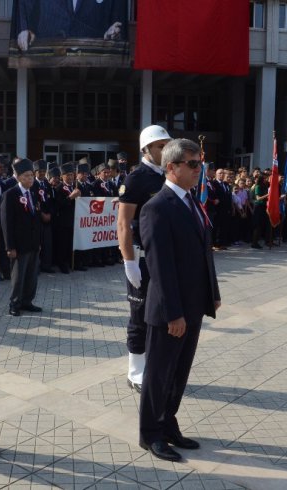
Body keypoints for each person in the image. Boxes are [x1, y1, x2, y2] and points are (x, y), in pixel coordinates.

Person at [138, 138, 220, 462]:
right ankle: (150, 434)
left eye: (200, 163)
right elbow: (160, 267)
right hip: (170, 311)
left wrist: (211, 295)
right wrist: (174, 313)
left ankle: (168, 422)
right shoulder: (156, 207)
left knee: (179, 372)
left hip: (193, 305)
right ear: (171, 168)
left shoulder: (192, 201)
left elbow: (203, 254)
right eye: (193, 164)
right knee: (159, 374)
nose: (200, 169)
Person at [117, 124, 170, 393]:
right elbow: (124, 224)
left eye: (166, 144)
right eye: (160, 145)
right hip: (141, 258)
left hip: (164, 258)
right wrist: (129, 262)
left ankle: (155, 365)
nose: (165, 149)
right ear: (146, 149)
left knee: (161, 314)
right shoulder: (136, 179)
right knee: (139, 315)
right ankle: (135, 371)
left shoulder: (169, 176)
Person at [1, 158, 42, 317]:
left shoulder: (33, 193)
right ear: (17, 177)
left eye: (31, 175)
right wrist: (9, 247)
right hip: (18, 245)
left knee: (32, 275)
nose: (30, 178)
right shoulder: (10, 195)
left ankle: (27, 301)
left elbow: (36, 220)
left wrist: (38, 242)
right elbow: (6, 223)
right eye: (26, 176)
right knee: (18, 277)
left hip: (33, 243)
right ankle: (15, 303)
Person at [53, 162, 82, 273]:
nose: (70, 177)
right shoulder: (59, 188)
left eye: (71, 174)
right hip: (63, 221)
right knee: (63, 244)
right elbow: (59, 205)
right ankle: (62, 264)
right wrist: (71, 197)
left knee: (72, 242)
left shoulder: (76, 186)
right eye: (67, 175)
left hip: (75, 220)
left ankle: (73, 262)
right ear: (62, 176)